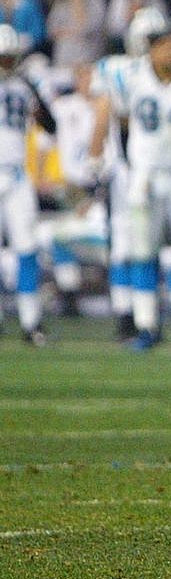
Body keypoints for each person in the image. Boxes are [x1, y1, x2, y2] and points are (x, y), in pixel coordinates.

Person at [91, 9, 171, 350]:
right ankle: (146, 326)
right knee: (142, 252)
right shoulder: (128, 74)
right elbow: (110, 110)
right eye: (159, 45)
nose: (167, 51)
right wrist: (102, 147)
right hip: (145, 175)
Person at [0, 25, 55, 344]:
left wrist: (33, 92)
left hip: (17, 173)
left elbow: (50, 123)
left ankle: (30, 320)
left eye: (9, 58)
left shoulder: (25, 86)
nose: (6, 64)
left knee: (27, 248)